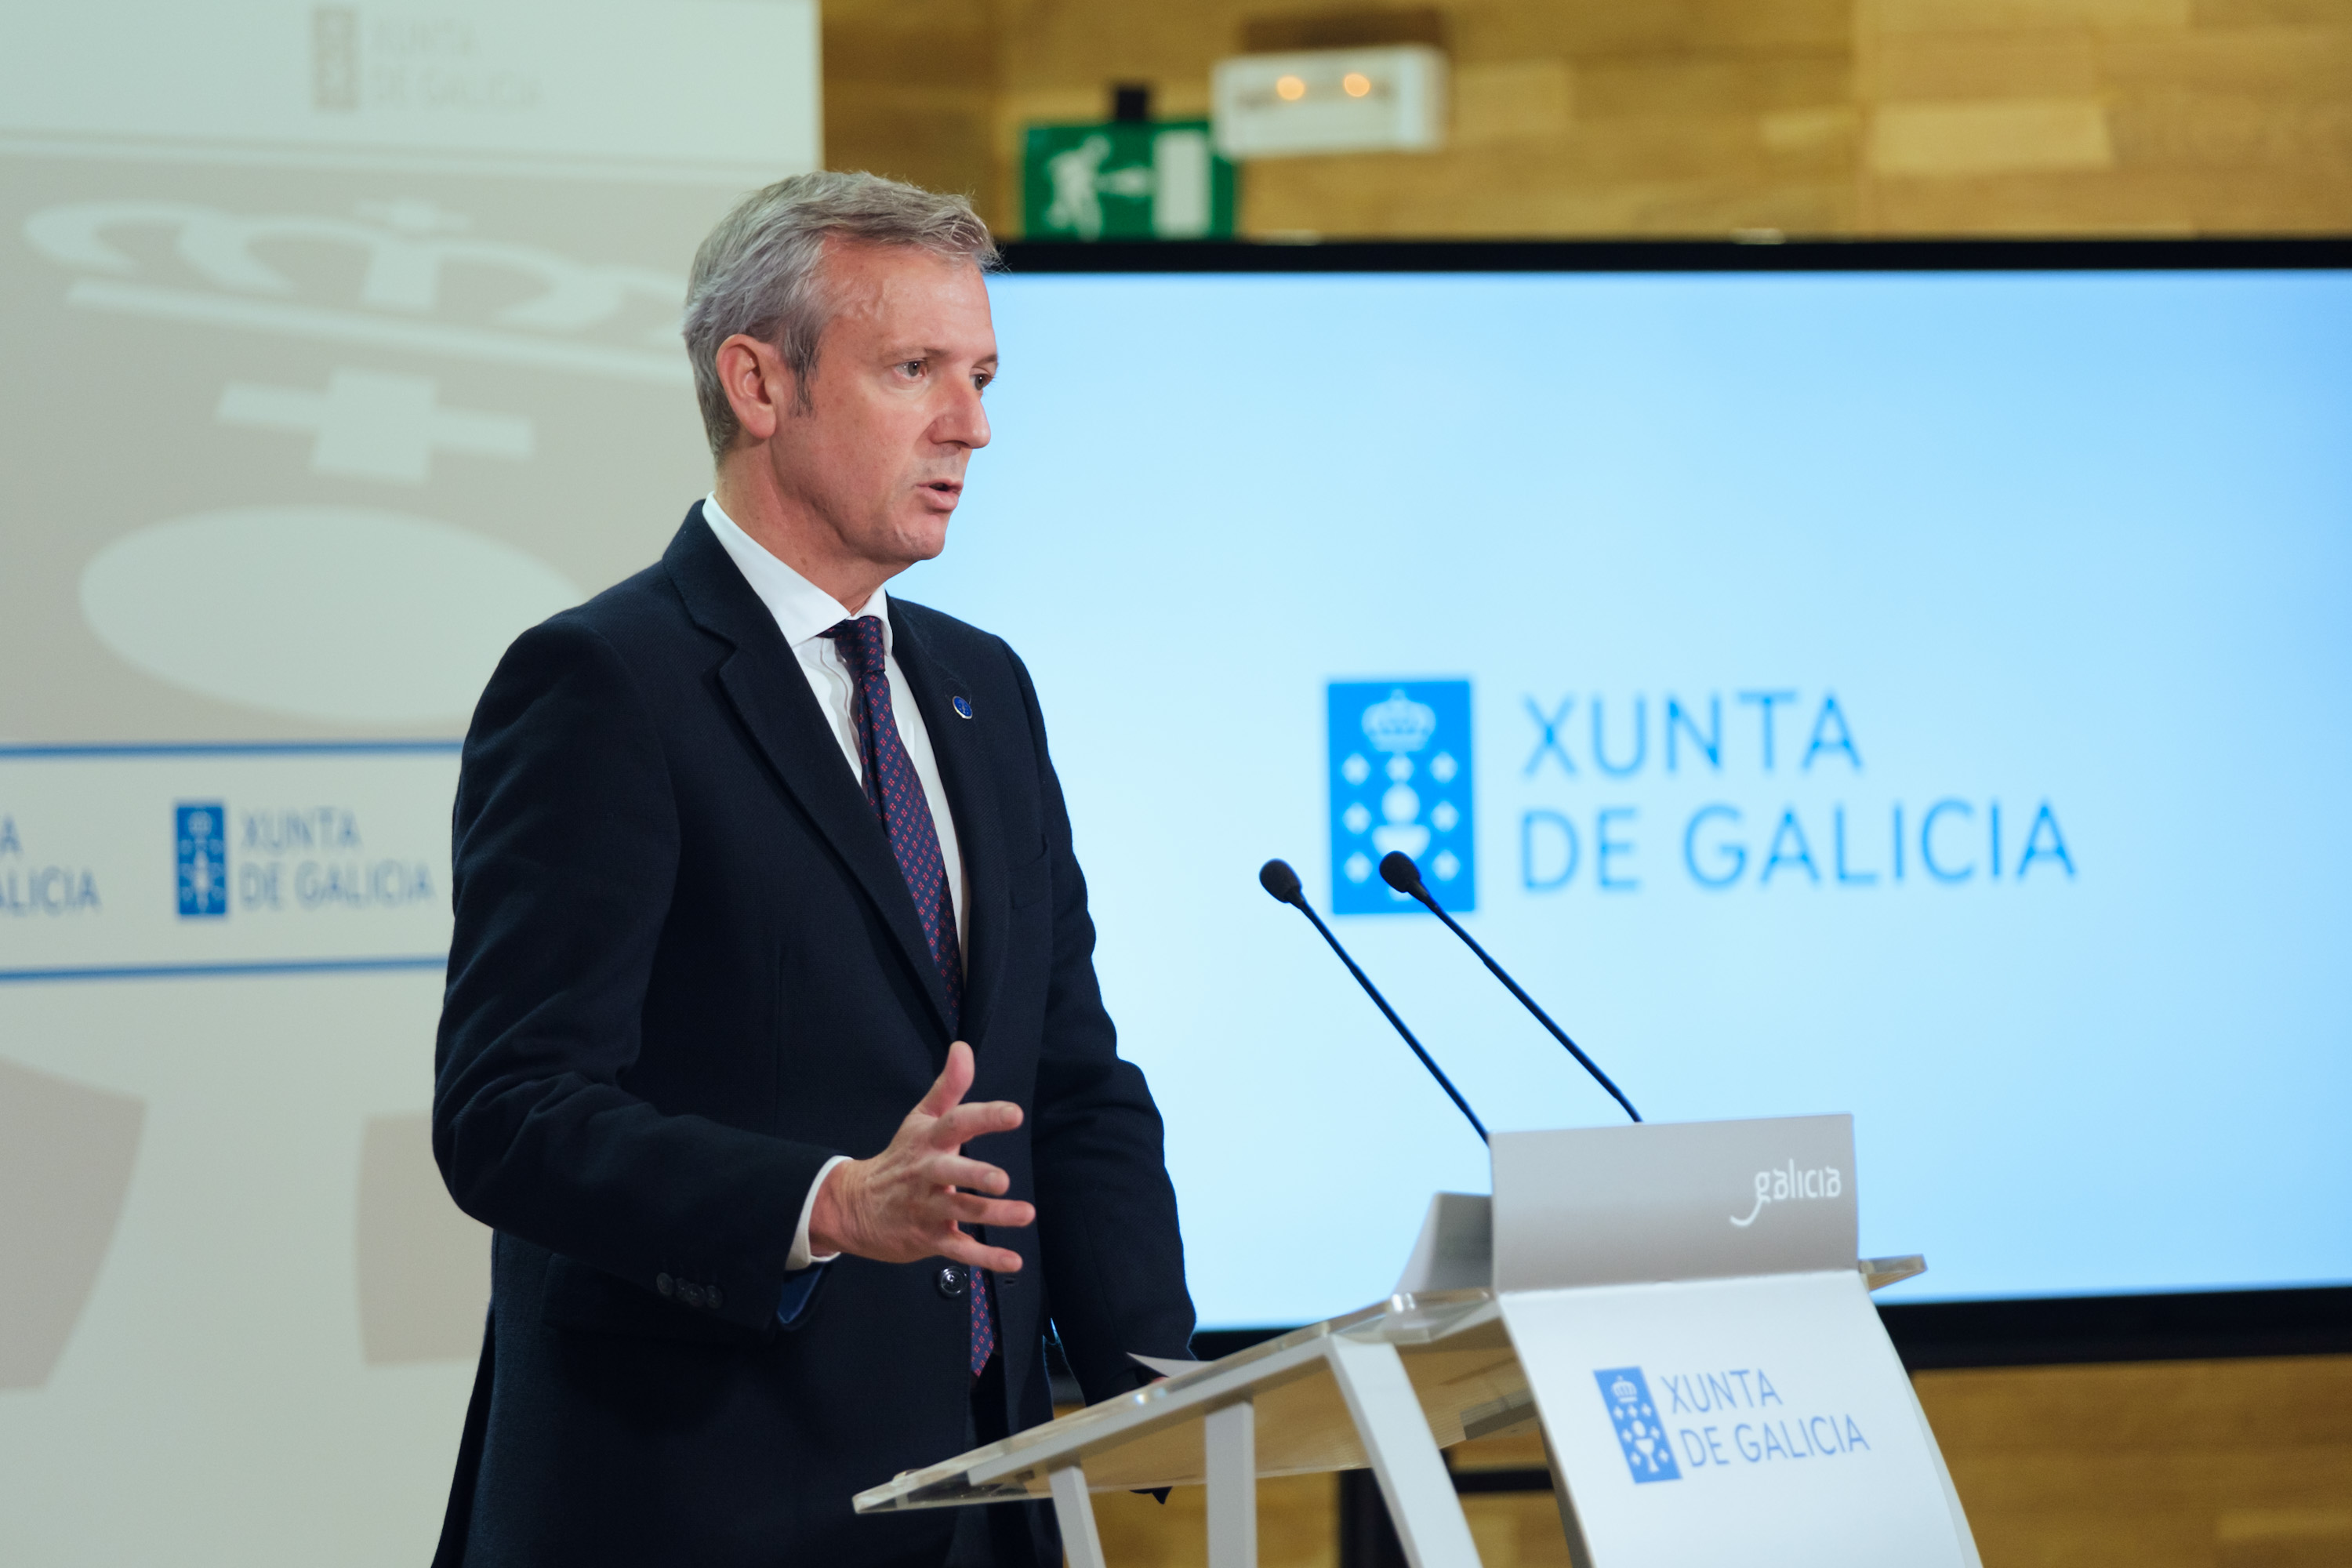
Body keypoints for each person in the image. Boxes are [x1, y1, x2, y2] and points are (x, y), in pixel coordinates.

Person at [428, 170, 1195, 1568]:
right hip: (700, 1503)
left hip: (984, 1495)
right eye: (915, 371)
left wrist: (1166, 1392)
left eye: (980, 375)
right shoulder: (603, 685)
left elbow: (1067, 1083)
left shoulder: (981, 687)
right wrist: (824, 1203)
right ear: (760, 384)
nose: (971, 424)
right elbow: (509, 1111)